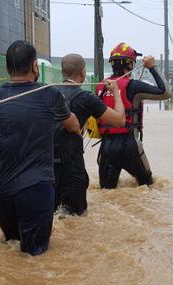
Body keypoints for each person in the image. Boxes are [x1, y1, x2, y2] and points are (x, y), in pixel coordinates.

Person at [0, 41, 80, 255]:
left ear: (7, 68)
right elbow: (72, 124)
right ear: (34, 66)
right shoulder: (50, 94)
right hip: (34, 188)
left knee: (11, 248)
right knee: (34, 258)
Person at [54, 54, 126, 215]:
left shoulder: (47, 93)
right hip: (72, 170)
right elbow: (120, 120)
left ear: (62, 72)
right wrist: (116, 93)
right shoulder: (85, 98)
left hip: (45, 169)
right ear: (83, 72)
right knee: (77, 221)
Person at [96, 42, 171, 189]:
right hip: (129, 146)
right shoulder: (134, 86)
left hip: (106, 147)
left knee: (106, 192)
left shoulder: (100, 87)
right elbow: (165, 92)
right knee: (148, 186)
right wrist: (152, 67)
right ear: (130, 64)